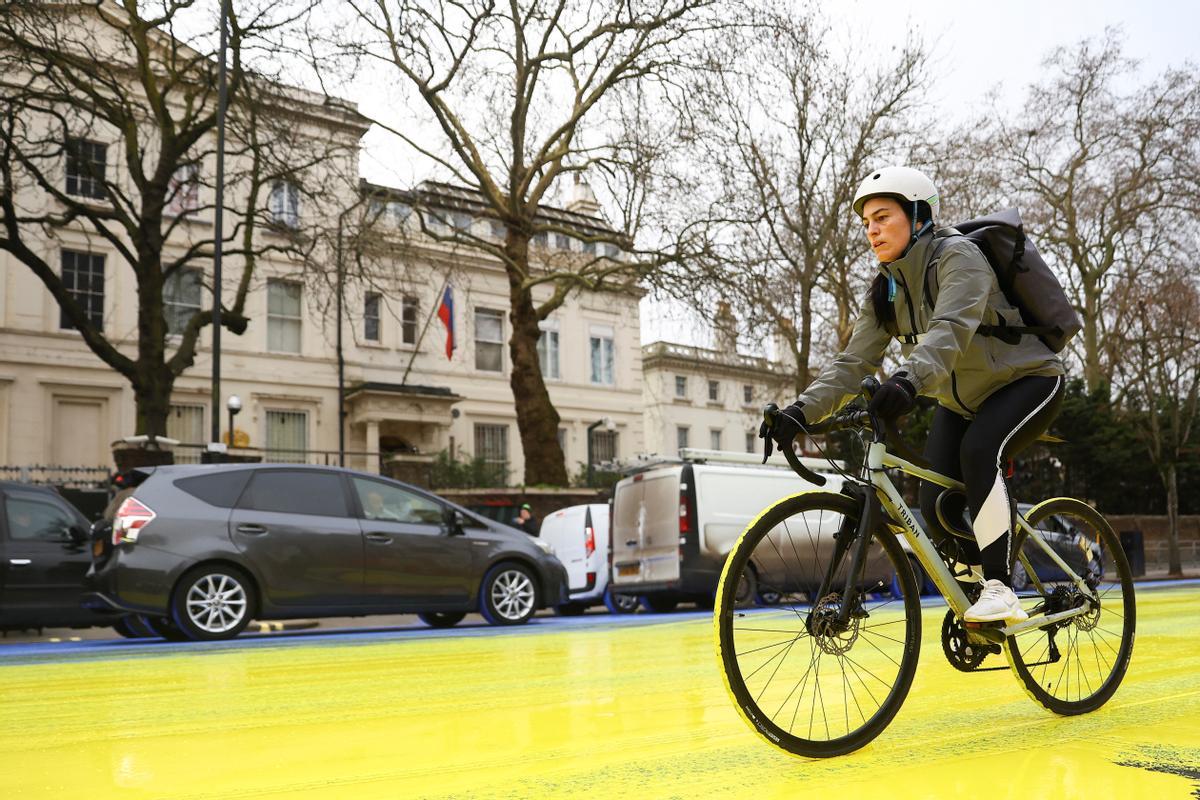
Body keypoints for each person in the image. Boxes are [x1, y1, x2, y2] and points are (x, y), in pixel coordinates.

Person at [764, 166, 1065, 623]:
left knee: (980, 450)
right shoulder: (886, 289)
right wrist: (800, 412)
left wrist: (907, 381)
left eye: (883, 217)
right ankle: (976, 590)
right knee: (934, 503)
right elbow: (853, 362)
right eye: (867, 223)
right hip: (962, 402)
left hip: (1030, 381)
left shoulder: (960, 258)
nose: (872, 230)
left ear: (919, 215)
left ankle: (1002, 587)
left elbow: (949, 332)